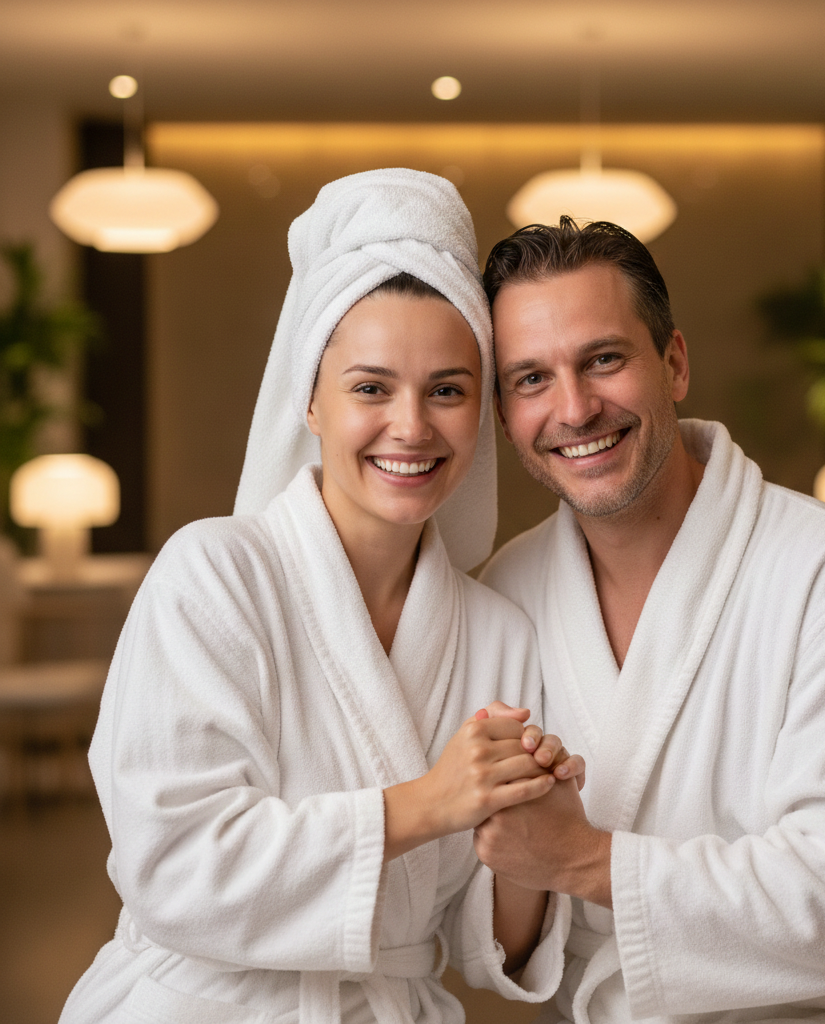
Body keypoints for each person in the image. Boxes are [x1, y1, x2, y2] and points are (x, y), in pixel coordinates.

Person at [60, 170, 582, 1024]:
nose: (411, 426)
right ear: (308, 398)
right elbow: (173, 865)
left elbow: (487, 944)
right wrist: (427, 805)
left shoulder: (498, 633)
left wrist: (533, 834)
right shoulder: (214, 576)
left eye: (447, 390)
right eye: (370, 387)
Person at [475, 217, 825, 1024]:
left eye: (604, 359)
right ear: (503, 412)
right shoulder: (505, 590)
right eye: (531, 379)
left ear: (675, 363)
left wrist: (587, 861)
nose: (576, 408)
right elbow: (502, 930)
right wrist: (517, 853)